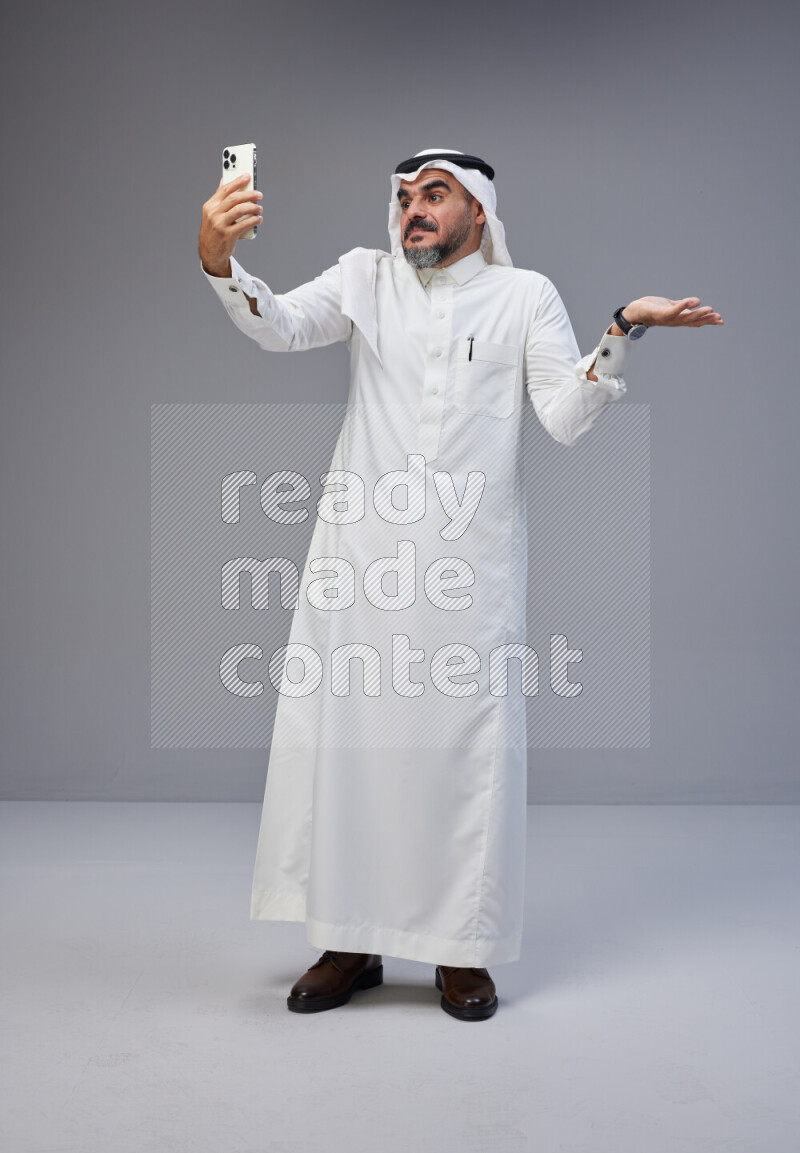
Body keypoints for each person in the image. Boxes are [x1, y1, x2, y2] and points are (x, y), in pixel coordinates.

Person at [198, 148, 722, 1021]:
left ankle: (460, 952)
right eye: (404, 196)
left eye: (434, 195)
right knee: (353, 749)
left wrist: (621, 329)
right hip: (360, 560)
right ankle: (348, 940)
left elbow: (561, 414)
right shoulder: (365, 279)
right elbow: (280, 324)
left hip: (467, 571)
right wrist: (217, 256)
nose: (414, 209)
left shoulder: (525, 297)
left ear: (478, 210)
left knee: (462, 755)